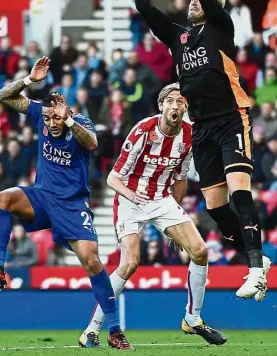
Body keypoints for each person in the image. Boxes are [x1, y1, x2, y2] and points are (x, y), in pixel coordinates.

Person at [132, 0, 270, 301]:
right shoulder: (178, 38)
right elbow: (144, 5)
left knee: (240, 193)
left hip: (232, 118)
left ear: (214, 4)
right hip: (202, 127)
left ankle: (256, 270)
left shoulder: (221, 27)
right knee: (215, 206)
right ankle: (256, 258)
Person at [0, 57, 131, 349]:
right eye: (47, 118)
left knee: (92, 261)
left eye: (56, 117)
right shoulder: (40, 113)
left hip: (73, 205)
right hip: (42, 198)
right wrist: (29, 80)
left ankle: (114, 330)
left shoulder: (80, 122)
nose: (51, 123)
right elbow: (3, 96)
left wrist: (68, 118)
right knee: (2, 198)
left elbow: (92, 143)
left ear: (67, 112)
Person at [80, 83, 226, 348]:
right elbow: (114, 177)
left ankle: (193, 319)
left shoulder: (190, 134)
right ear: (161, 106)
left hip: (161, 199)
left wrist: (176, 222)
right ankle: (92, 329)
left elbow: (180, 179)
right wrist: (134, 197)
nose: (176, 106)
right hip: (129, 198)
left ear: (185, 108)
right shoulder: (142, 131)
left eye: (181, 102)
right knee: (130, 263)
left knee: (200, 251)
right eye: (170, 101)